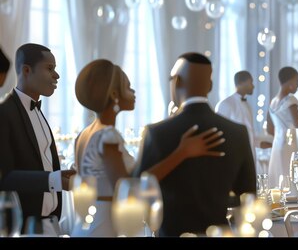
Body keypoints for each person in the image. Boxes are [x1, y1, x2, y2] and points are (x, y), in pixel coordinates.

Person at [71, 59, 225, 237]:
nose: (134, 92)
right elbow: (127, 188)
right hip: (103, 226)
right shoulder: (108, 135)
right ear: (114, 94)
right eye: (128, 87)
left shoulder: (85, 134)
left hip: (87, 221)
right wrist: (182, 152)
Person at [134, 53, 256, 237]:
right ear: (210, 86)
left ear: (176, 82)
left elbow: (135, 190)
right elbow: (248, 197)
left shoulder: (157, 133)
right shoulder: (237, 133)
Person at [0, 43, 75, 236]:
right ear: (26, 70)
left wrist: (61, 178)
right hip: (23, 228)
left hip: (51, 226)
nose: (56, 75)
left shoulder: (40, 114)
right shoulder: (4, 113)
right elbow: (5, 178)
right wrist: (54, 179)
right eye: (50, 68)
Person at [216, 70, 272, 162]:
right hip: (233, 156)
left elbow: (249, 133)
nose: (253, 86)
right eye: (251, 82)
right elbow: (220, 133)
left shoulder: (248, 105)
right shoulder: (225, 104)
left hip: (249, 156)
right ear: (241, 83)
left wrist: (263, 144)